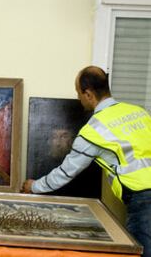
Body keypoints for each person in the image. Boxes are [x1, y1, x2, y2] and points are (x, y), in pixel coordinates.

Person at [21, 66, 151, 257]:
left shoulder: (93, 131)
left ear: (88, 93)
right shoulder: (139, 112)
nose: (78, 98)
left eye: (78, 93)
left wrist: (33, 186)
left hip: (144, 200)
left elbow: (65, 173)